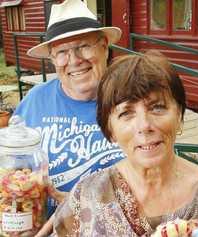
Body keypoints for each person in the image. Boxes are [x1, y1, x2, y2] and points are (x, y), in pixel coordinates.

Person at [53, 52, 198, 236]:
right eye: (126, 113)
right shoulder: (88, 195)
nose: (144, 125)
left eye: (157, 107)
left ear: (179, 117)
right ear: (110, 129)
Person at [13, 0, 124, 228]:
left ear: (104, 46)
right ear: (53, 59)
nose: (74, 60)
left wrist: (86, 206)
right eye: (62, 52)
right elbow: (12, 171)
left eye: (83, 46)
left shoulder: (130, 99)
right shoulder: (35, 101)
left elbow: (156, 183)